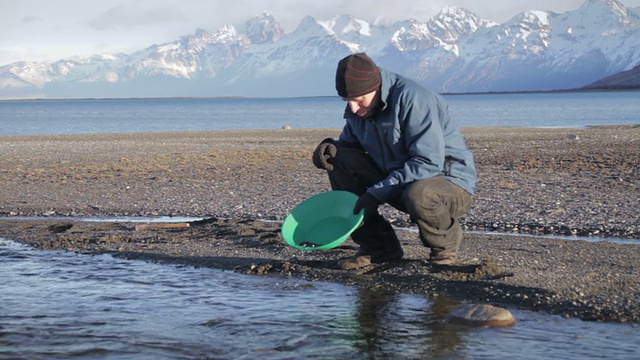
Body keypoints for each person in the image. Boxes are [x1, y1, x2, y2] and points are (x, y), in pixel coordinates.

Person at [312, 53, 477, 269]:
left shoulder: (414, 99)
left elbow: (428, 162)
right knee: (338, 158)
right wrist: (329, 149)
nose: (352, 108)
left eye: (358, 100)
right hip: (399, 180)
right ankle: (379, 247)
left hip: (447, 183)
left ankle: (443, 252)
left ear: (376, 87)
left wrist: (375, 193)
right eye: (347, 101)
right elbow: (350, 145)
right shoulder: (360, 105)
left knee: (420, 194)